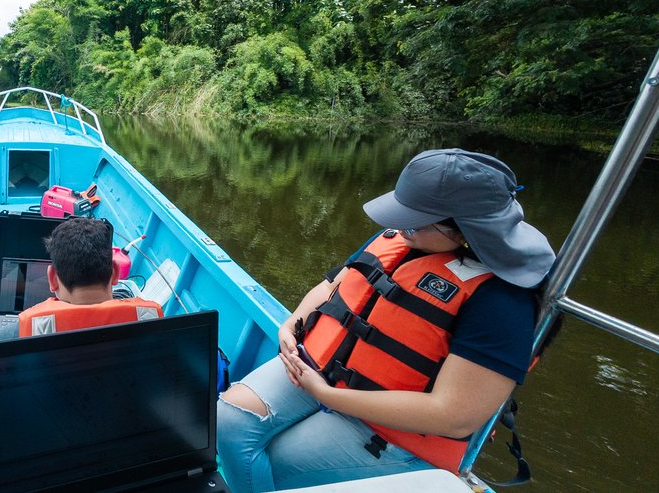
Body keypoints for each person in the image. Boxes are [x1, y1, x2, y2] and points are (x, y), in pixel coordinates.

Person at [217, 148, 556, 492]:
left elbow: (455, 415)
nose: (397, 225)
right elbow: (332, 286)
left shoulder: (503, 302)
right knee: (227, 423)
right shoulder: (405, 237)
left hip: (395, 429)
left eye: (411, 219)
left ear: (464, 231)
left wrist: (328, 396)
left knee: (273, 461)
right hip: (321, 372)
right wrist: (291, 324)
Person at [0, 216, 163, 493]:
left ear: (51, 277)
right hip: (118, 475)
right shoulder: (158, 332)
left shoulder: (9, 339)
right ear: (115, 273)